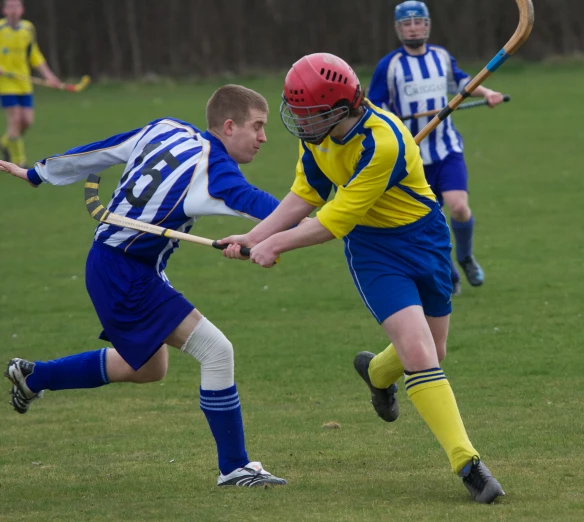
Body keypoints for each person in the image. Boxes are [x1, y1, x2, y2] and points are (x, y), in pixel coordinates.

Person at [219, 53, 504, 503]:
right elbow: (305, 195)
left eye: (308, 112)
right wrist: (254, 235)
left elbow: (332, 221)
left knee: (435, 349)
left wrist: (275, 245)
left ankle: (375, 372)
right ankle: (467, 463)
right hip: (374, 250)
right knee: (419, 351)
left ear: (337, 108)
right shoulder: (318, 136)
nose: (299, 122)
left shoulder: (383, 142)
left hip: (424, 238)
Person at [1, 84, 288, 488]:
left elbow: (102, 152)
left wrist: (37, 173)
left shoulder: (165, 128)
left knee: (150, 368)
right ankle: (235, 467)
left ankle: (35, 376)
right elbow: (278, 213)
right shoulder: (217, 174)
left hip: (120, 264)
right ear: (228, 126)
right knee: (217, 351)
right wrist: (283, 235)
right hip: (124, 273)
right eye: (257, 127)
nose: (263, 138)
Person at [367, 1, 505, 295]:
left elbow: (463, 83)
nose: (413, 28)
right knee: (430, 224)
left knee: (458, 207)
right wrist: (387, 122)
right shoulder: (389, 66)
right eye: (407, 24)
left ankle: (465, 257)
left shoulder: (441, 57)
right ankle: (450, 272)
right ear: (398, 29)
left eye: (418, 22)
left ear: (427, 25)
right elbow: (374, 106)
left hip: (446, 149)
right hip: (411, 156)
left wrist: (488, 92)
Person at [0, 0, 63, 167]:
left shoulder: (28, 28)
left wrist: (50, 76)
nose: (13, 10)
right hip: (6, 84)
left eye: (16, 7)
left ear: (22, 10)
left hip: (24, 83)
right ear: (5, 10)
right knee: (14, 120)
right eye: (10, 7)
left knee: (26, 121)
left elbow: (34, 55)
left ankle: (6, 142)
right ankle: (18, 160)